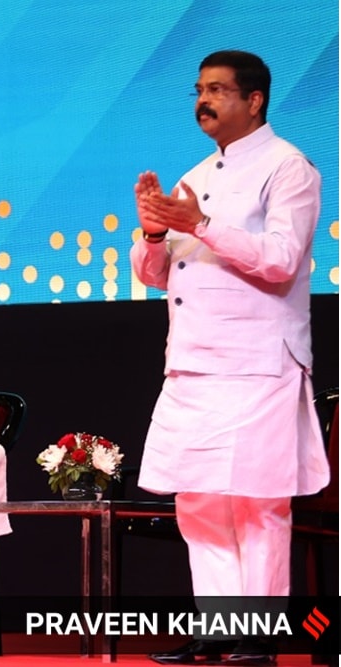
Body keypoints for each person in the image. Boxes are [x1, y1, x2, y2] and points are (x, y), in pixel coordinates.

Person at [131, 50, 329, 666]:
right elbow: (157, 275)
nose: (203, 100)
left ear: (255, 99)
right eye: (198, 89)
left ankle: (257, 636)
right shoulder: (196, 175)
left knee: (257, 501)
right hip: (194, 362)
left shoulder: (288, 167)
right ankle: (219, 629)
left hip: (258, 361)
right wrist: (155, 233)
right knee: (198, 501)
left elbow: (281, 259)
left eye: (217, 89)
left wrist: (202, 222)